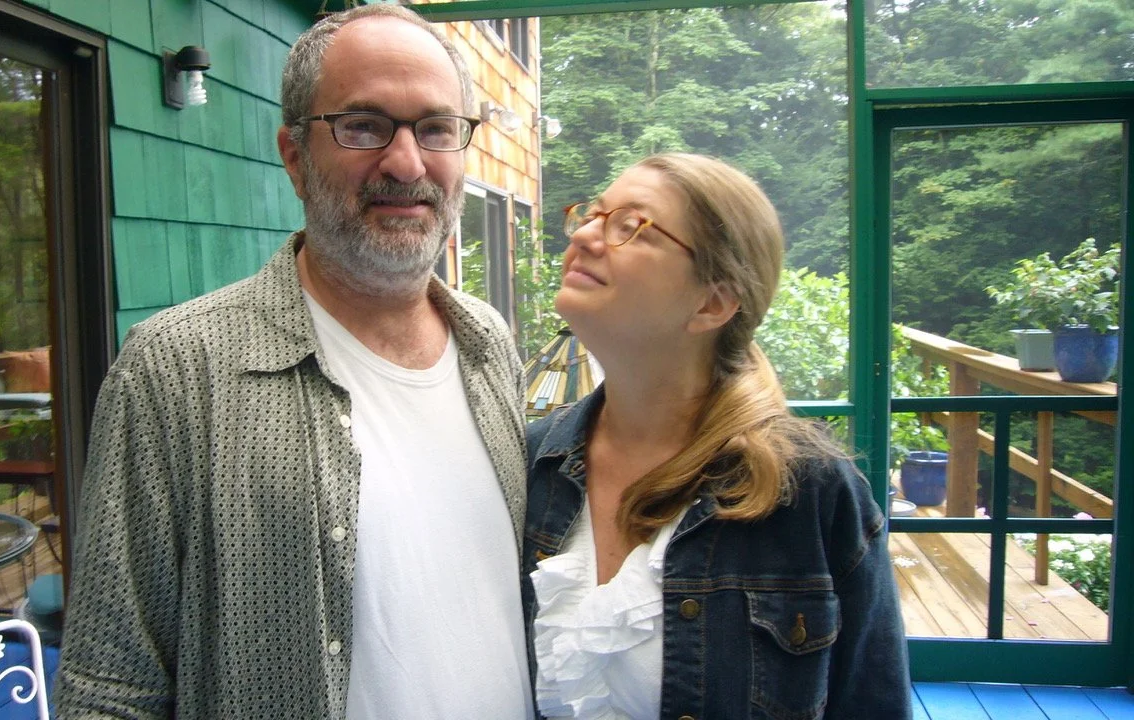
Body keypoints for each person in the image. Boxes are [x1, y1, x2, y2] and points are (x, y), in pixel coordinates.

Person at [56, 5, 532, 718]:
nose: (405, 163)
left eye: (436, 128)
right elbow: (108, 687)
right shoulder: (175, 371)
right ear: (294, 158)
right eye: (363, 126)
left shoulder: (488, 344)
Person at [523, 153, 911, 719]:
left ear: (712, 303)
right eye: (591, 214)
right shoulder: (533, 463)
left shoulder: (810, 492)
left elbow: (872, 705)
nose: (583, 235)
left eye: (629, 226)